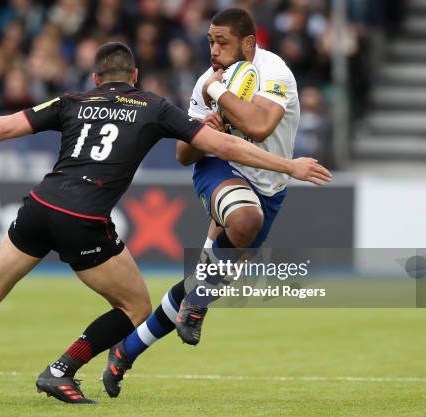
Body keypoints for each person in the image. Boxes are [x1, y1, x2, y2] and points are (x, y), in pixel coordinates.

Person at [0, 41, 330, 404]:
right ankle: (61, 369)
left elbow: (2, 128)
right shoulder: (152, 106)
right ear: (136, 75)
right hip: (83, 220)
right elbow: (223, 146)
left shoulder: (71, 101)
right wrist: (286, 166)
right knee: (136, 309)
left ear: (94, 78)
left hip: (38, 207)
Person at [103, 8, 308, 397]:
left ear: (248, 42)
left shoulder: (275, 72)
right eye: (210, 41)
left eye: (222, 42)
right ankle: (195, 307)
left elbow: (260, 126)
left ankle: (125, 352)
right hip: (220, 169)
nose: (213, 49)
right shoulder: (206, 83)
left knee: (202, 281)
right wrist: (203, 131)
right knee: (245, 219)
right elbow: (184, 154)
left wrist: (218, 95)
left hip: (270, 186)